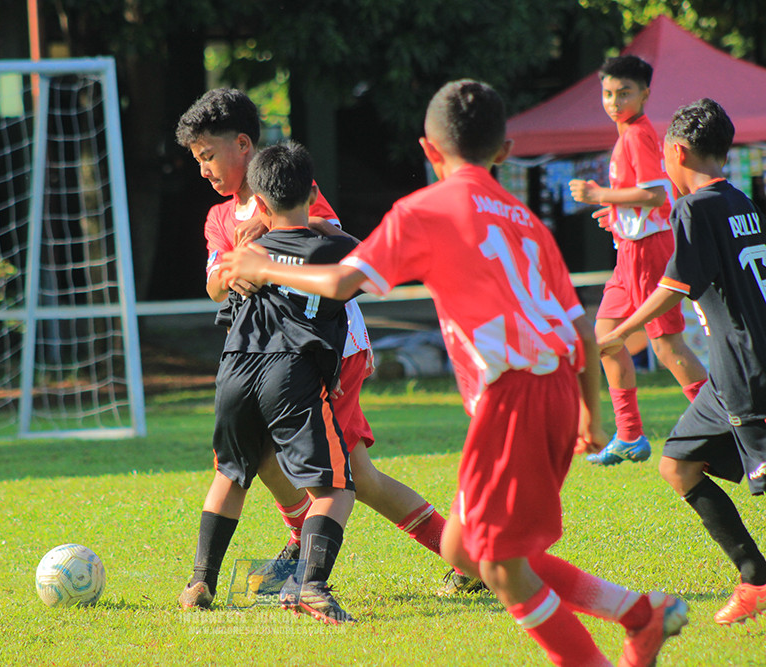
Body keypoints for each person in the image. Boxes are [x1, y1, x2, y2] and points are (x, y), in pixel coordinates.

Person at [223, 79, 688, 665]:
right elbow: (576, 326)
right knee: (466, 547)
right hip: (554, 389)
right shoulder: (525, 219)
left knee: (496, 563)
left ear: (428, 148)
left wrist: (264, 265)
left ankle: (626, 629)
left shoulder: (425, 209)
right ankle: (639, 613)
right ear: (505, 151)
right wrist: (591, 414)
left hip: (513, 394)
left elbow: (343, 282)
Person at [173, 88, 480, 603]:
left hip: (325, 349)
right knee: (270, 460)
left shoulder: (290, 186)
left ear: (242, 144)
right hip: (266, 357)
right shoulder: (218, 218)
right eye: (197, 160)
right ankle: (308, 550)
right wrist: (234, 268)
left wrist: (265, 238)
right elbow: (213, 282)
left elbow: (332, 240)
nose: (203, 169)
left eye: (207, 155)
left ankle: (447, 558)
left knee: (349, 474)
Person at [598, 98, 766, 626]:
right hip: (726, 372)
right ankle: (755, 578)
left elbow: (675, 285)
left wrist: (619, 334)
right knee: (678, 464)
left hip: (747, 368)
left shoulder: (692, 208)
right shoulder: (741, 202)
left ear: (675, 151)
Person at [178, 142, 361, 624]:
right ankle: (311, 585)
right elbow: (368, 275)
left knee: (231, 473)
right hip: (291, 370)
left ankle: (201, 579)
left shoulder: (246, 251)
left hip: (235, 369)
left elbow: (223, 298)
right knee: (337, 486)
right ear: (312, 192)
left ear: (257, 199)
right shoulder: (337, 247)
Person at [569, 54, 707, 466]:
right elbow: (643, 199)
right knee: (604, 339)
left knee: (666, 346)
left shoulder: (637, 135)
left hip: (649, 252)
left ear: (645, 93)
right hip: (629, 253)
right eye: (608, 93)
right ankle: (629, 435)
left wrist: (598, 195)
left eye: (624, 92)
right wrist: (614, 214)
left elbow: (656, 195)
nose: (614, 101)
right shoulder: (627, 133)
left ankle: (727, 421)